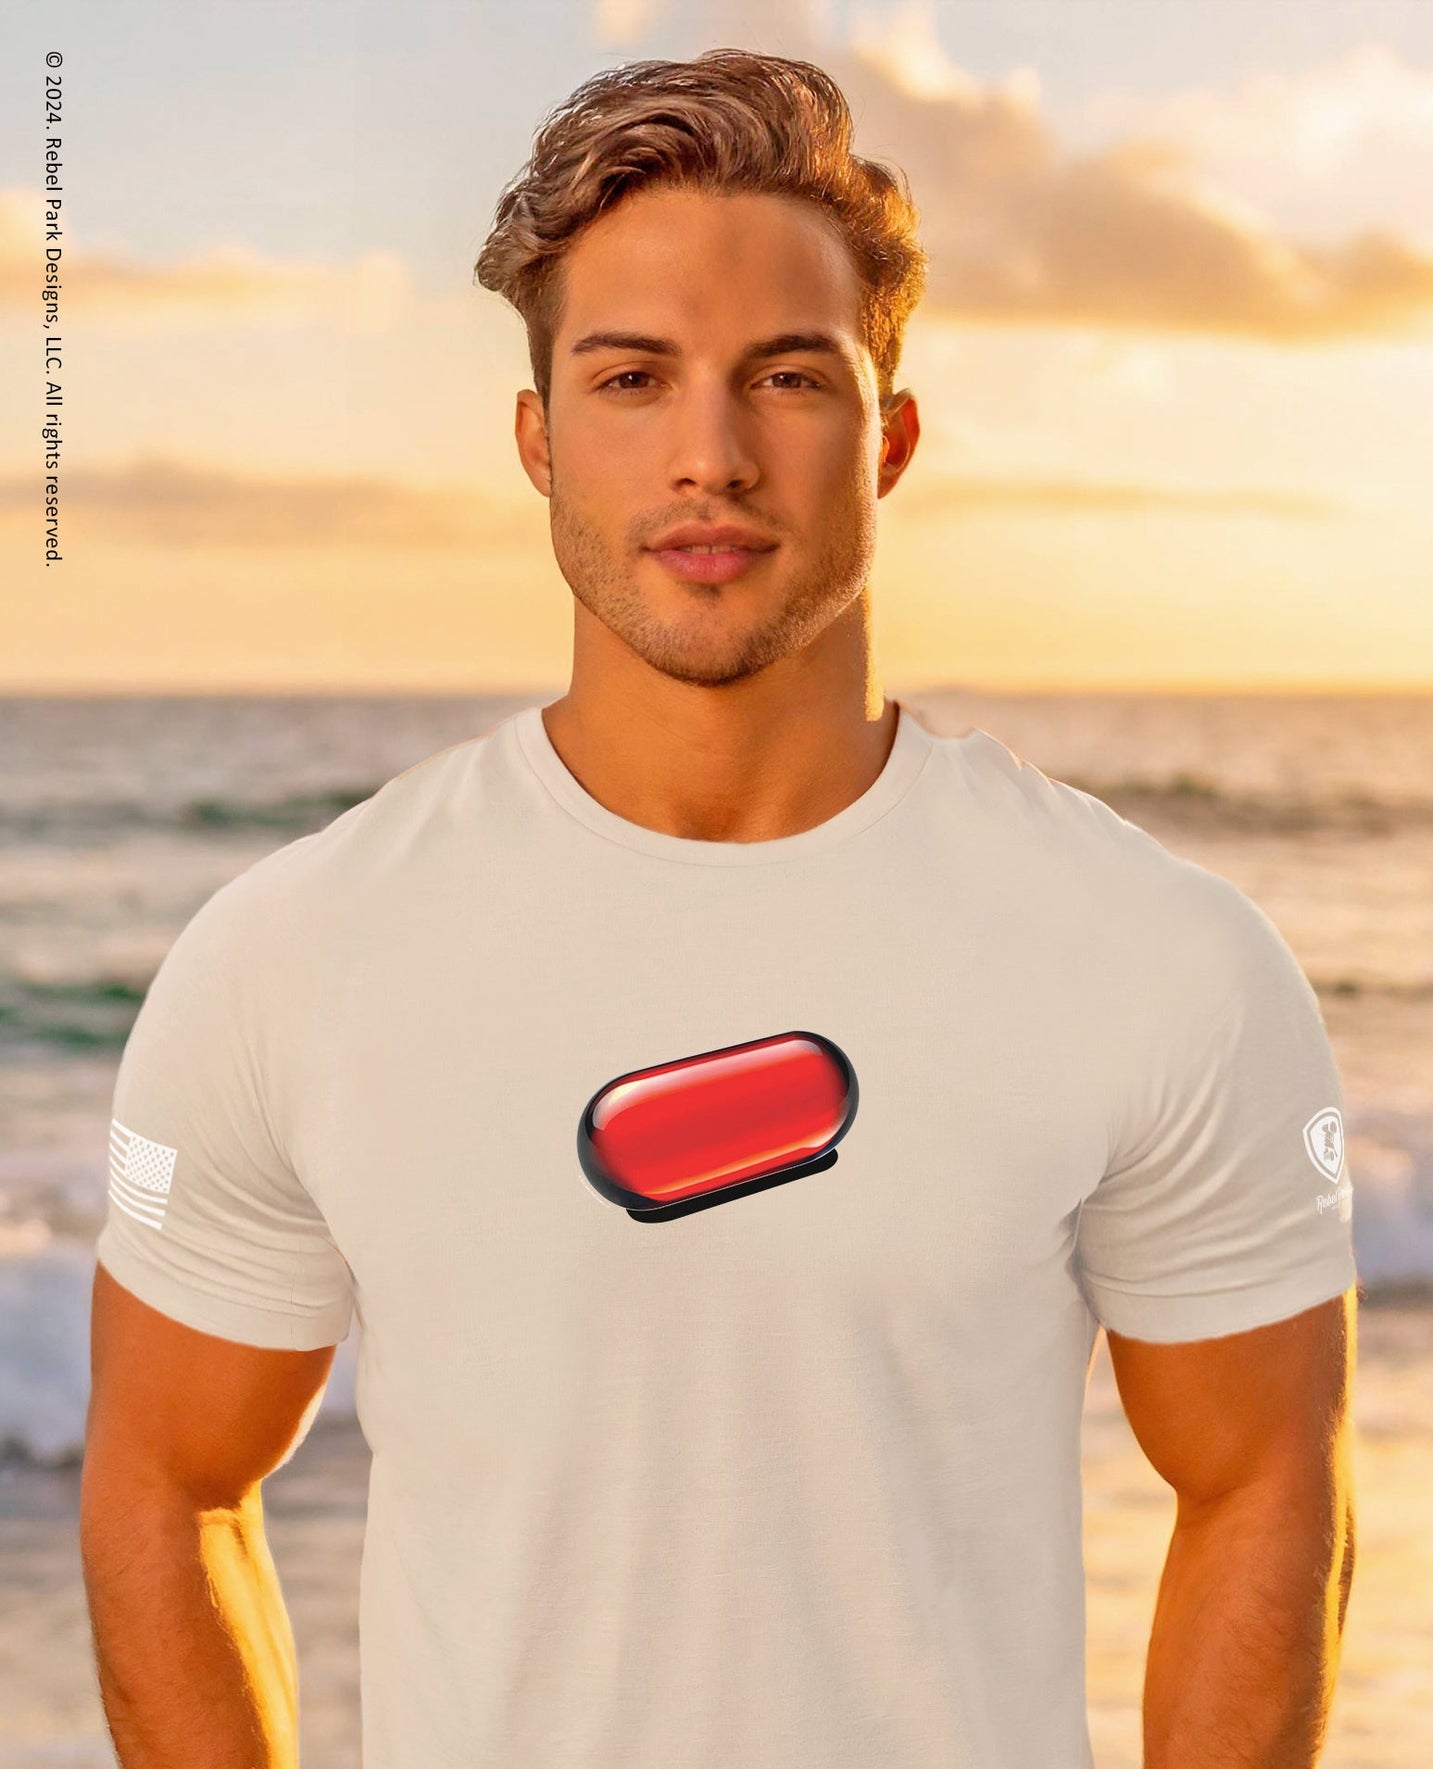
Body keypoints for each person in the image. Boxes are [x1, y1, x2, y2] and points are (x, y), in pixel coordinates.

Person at [81, 46, 1358, 1769]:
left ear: (886, 436)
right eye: (630, 377)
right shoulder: (291, 955)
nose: (710, 454)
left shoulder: (1157, 958)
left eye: (784, 375)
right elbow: (166, 1482)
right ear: (537, 439)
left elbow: (1266, 1482)